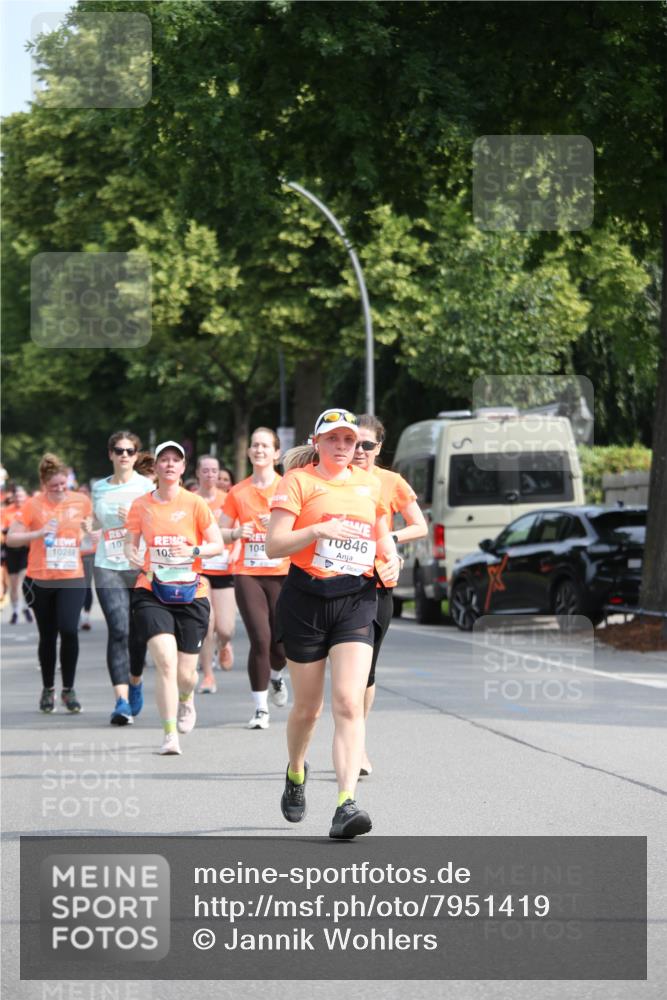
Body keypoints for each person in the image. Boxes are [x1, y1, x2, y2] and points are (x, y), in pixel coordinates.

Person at [266, 408, 400, 839]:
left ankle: (346, 803)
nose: (345, 448)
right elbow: (274, 545)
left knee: (347, 701)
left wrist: (390, 555)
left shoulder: (370, 484)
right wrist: (317, 531)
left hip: (356, 599)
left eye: (352, 441)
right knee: (309, 708)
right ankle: (296, 770)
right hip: (306, 598)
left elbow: (381, 532)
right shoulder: (299, 482)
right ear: (317, 442)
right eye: (336, 440)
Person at [124, 440, 225, 755]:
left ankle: (186, 699)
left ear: (183, 469)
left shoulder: (195, 503)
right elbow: (130, 544)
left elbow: (217, 545)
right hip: (151, 591)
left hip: (191, 593)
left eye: (175, 460)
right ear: (154, 468)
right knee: (165, 661)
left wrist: (192, 550)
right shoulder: (141, 505)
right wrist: (136, 558)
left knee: (186, 675)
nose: (169, 464)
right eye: (163, 460)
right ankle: (169, 734)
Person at [352, 414, 427, 776]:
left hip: (378, 582)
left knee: (366, 671)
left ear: (379, 447)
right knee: (343, 671)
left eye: (368, 444)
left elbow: (419, 525)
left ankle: (357, 742)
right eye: (355, 443)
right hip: (334, 582)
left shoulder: (390, 481)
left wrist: (390, 542)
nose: (360, 451)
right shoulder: (334, 477)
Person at [7, 453, 92, 713]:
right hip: (40, 579)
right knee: (47, 635)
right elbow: (11, 539)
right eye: (54, 486)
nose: (59, 490)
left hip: (71, 576)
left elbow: (88, 531)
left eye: (63, 485)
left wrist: (90, 534)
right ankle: (48, 689)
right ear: (44, 484)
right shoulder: (33, 505)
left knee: (68, 629)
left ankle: (69, 689)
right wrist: (38, 533)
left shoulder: (82, 501)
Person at [220, 428, 290, 730]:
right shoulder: (238, 492)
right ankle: (261, 708)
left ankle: (276, 676)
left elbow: (304, 525)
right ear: (249, 452)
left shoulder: (288, 487)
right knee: (260, 638)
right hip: (247, 571)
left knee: (281, 643)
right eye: (255, 445)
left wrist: (277, 522)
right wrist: (236, 533)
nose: (259, 450)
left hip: (283, 572)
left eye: (266, 446)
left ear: (276, 453)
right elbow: (219, 532)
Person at [92, 431, 154, 725]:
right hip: (108, 565)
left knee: (138, 632)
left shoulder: (146, 486)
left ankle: (136, 679)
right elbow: (95, 521)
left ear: (136, 455)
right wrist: (85, 525)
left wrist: (133, 515)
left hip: (138, 564)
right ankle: (121, 701)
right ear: (110, 454)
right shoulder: (99, 488)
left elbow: (156, 521)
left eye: (130, 451)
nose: (125, 455)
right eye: (119, 450)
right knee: (118, 628)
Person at [194, 453, 237, 692]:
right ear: (198, 473)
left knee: (226, 628)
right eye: (206, 470)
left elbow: (241, 527)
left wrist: (236, 549)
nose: (210, 475)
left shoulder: (228, 499)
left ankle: (225, 643)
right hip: (201, 570)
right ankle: (208, 675)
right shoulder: (191, 500)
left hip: (224, 567)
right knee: (206, 622)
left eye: (214, 470)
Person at [3, 485, 32, 623]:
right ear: (13, 497)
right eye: (17, 496)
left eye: (21, 496)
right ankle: (16, 610)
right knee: (13, 584)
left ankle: (25, 607)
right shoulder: (7, 511)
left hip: (25, 550)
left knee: (22, 582)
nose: (19, 499)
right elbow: (3, 528)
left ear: (25, 496)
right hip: (10, 551)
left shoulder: (30, 510)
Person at [77, 484, 99, 631]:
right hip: (73, 554)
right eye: (80, 493)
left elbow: (99, 528)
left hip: (89, 553)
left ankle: (85, 616)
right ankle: (76, 614)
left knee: (86, 585)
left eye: (85, 493)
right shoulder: (72, 511)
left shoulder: (94, 511)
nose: (83, 496)